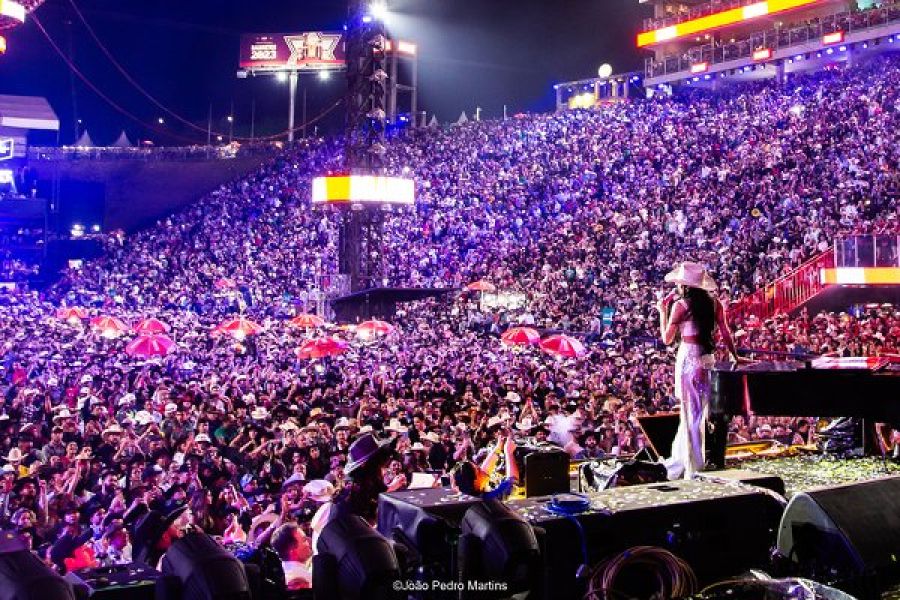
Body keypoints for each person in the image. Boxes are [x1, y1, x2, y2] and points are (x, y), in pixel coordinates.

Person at [657, 262, 741, 480]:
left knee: (689, 413)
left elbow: (666, 339)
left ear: (685, 285)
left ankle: (692, 466)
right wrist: (735, 355)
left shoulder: (680, 306)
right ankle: (691, 459)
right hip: (707, 359)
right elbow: (725, 332)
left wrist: (662, 312)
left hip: (688, 359)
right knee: (701, 412)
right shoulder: (714, 303)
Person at [450, 434, 519, 499]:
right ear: (475, 482)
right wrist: (509, 453)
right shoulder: (486, 499)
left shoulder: (465, 493)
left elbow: (485, 471)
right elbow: (513, 482)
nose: (481, 469)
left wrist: (498, 447)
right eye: (478, 470)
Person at [270, 522, 313, 590]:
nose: (308, 543)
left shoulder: (287, 568)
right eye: (304, 540)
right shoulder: (299, 580)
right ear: (292, 550)